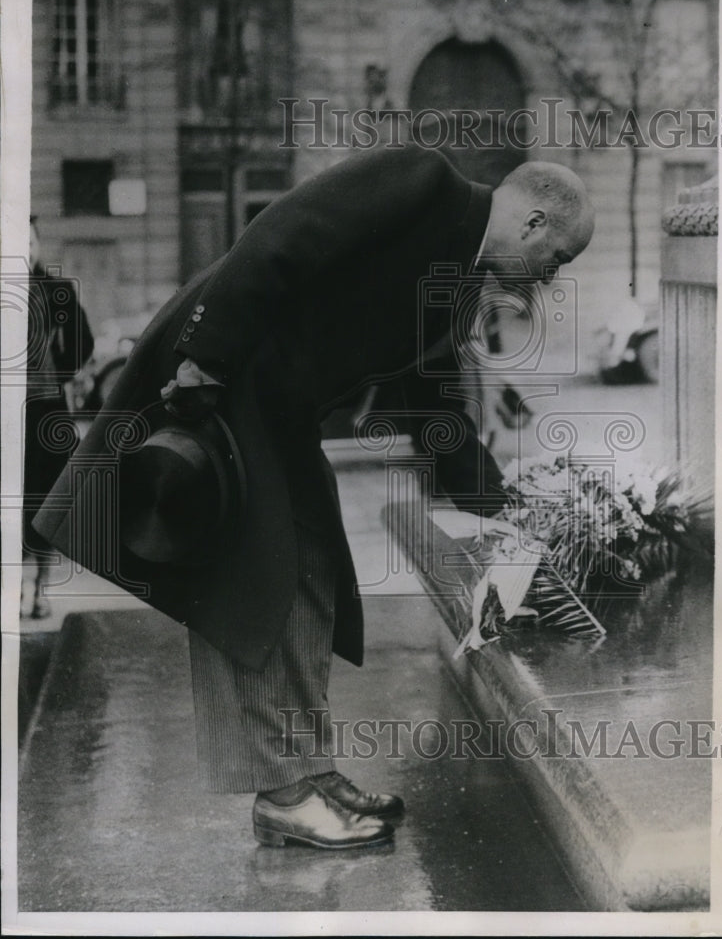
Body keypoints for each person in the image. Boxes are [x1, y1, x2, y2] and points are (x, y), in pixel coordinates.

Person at [33, 144, 593, 848]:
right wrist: (206, 361)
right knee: (252, 586)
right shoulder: (421, 181)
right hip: (215, 379)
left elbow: (433, 397)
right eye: (558, 258)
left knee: (314, 568)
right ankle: (283, 795)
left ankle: (309, 770)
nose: (550, 276)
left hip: (271, 411)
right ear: (535, 221)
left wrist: (498, 508)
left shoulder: (458, 277)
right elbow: (279, 235)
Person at [22, 216, 93, 618]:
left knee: (45, 498)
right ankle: (15, 589)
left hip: (47, 412)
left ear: (37, 245)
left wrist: (62, 370)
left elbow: (84, 338)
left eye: (29, 243)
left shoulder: (56, 292)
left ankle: (40, 591)